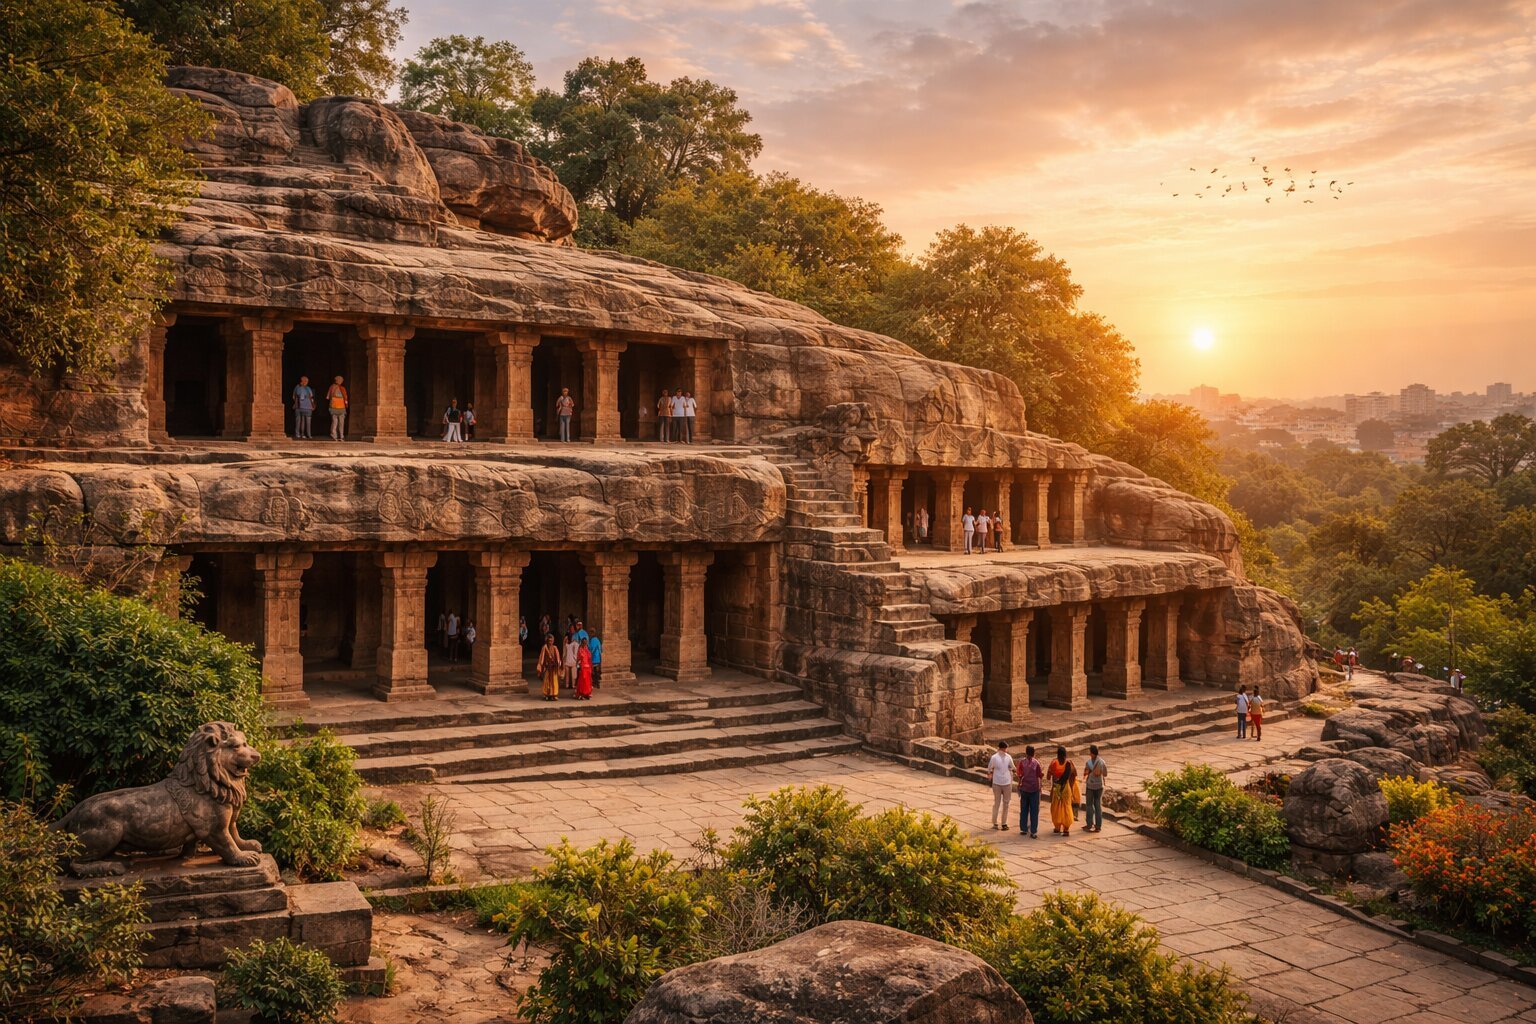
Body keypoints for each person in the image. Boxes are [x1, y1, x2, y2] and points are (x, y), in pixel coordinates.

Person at [1047, 746, 1078, 836]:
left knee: (1056, 807)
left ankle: (1057, 827)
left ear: (1057, 755)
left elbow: (1048, 777)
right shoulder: (1069, 763)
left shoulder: (1053, 763)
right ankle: (1066, 828)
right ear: (1065, 755)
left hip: (1057, 787)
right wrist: (1072, 786)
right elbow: (1074, 774)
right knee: (1066, 807)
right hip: (1066, 788)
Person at [1015, 744, 1044, 839]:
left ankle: (1023, 829)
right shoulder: (1036, 763)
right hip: (1034, 789)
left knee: (1024, 809)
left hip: (1024, 788)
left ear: (1026, 752)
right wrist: (1040, 787)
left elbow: (1019, 775)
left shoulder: (1022, 762)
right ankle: (1033, 831)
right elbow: (1040, 775)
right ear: (1034, 753)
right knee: (1034, 811)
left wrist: (1019, 785)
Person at [988, 741, 1015, 831]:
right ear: (1003, 748)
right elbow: (990, 769)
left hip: (1005, 782)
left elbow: (1012, 767)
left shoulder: (1008, 757)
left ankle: (1001, 823)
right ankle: (998, 822)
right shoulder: (995, 757)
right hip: (998, 782)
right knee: (1000, 803)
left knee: (1002, 803)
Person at [1082, 745, 1108, 833]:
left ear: (1092, 753)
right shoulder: (1102, 762)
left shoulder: (1088, 763)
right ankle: (1098, 826)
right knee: (1098, 805)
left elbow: (1085, 773)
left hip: (1090, 786)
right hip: (1099, 786)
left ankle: (1089, 824)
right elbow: (1105, 774)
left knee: (1089, 805)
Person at [536, 634, 562, 700]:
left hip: (554, 667)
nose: (550, 642)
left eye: (551, 641)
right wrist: (541, 666)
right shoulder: (544, 648)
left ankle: (554, 694)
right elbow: (541, 658)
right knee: (547, 681)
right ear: (547, 641)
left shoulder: (555, 648)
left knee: (554, 681)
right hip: (547, 667)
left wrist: (558, 663)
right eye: (549, 641)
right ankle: (547, 694)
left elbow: (558, 657)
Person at [291, 375, 315, 439]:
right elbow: (311, 397)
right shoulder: (301, 388)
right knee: (302, 421)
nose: (306, 382)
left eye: (307, 381)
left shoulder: (304, 388)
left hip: (304, 407)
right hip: (302, 407)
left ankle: (304, 434)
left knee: (302, 421)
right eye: (305, 381)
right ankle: (304, 434)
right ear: (302, 381)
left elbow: (294, 397)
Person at [326, 375, 349, 440]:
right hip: (334, 407)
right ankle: (334, 435)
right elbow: (328, 397)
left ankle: (341, 436)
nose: (340, 381)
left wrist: (346, 404)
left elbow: (345, 397)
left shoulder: (343, 388)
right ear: (336, 380)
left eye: (341, 380)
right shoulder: (332, 387)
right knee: (334, 422)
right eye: (339, 380)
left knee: (341, 423)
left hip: (342, 408)